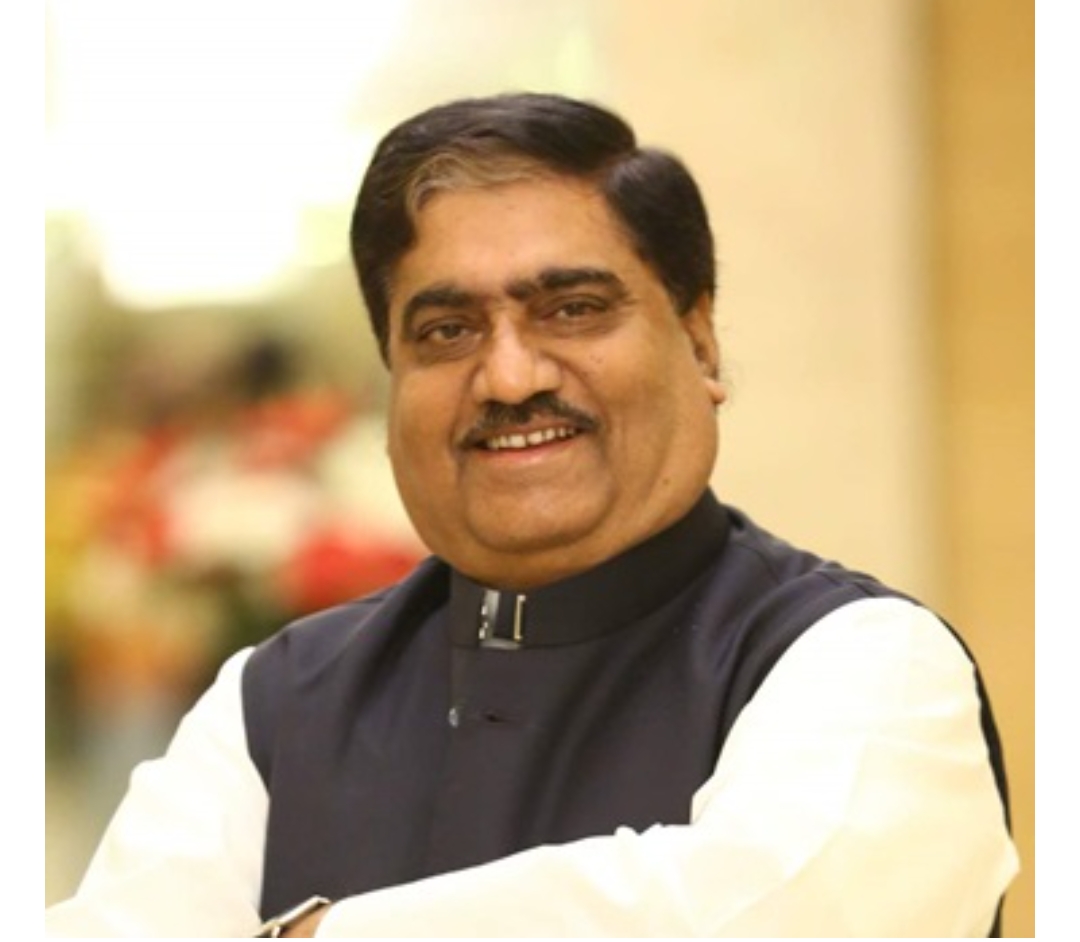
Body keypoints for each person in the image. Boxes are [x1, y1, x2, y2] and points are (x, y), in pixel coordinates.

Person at [46, 91, 1019, 938]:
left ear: (700, 342)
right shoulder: (278, 702)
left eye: (573, 309)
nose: (509, 377)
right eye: (447, 330)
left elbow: (765, 916)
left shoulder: (860, 661)